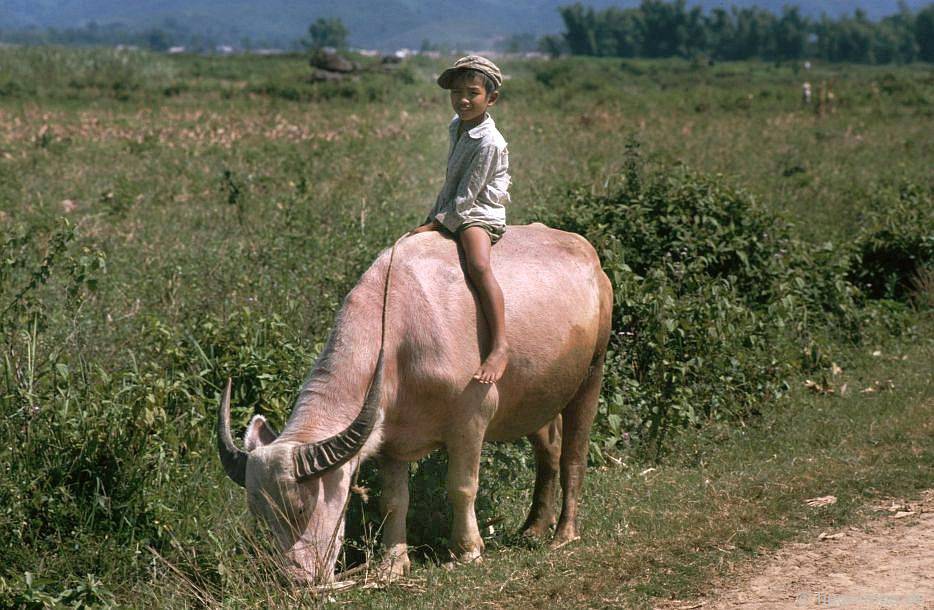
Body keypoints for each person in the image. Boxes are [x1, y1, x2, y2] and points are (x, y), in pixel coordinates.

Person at [409, 55, 510, 385]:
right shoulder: (457, 126)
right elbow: (451, 182)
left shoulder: (490, 142)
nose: (462, 100)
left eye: (472, 93)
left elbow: (468, 195)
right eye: (456, 93)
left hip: (478, 210)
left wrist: (439, 224)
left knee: (478, 264)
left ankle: (499, 346)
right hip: (455, 203)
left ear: (491, 98)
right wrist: (431, 217)